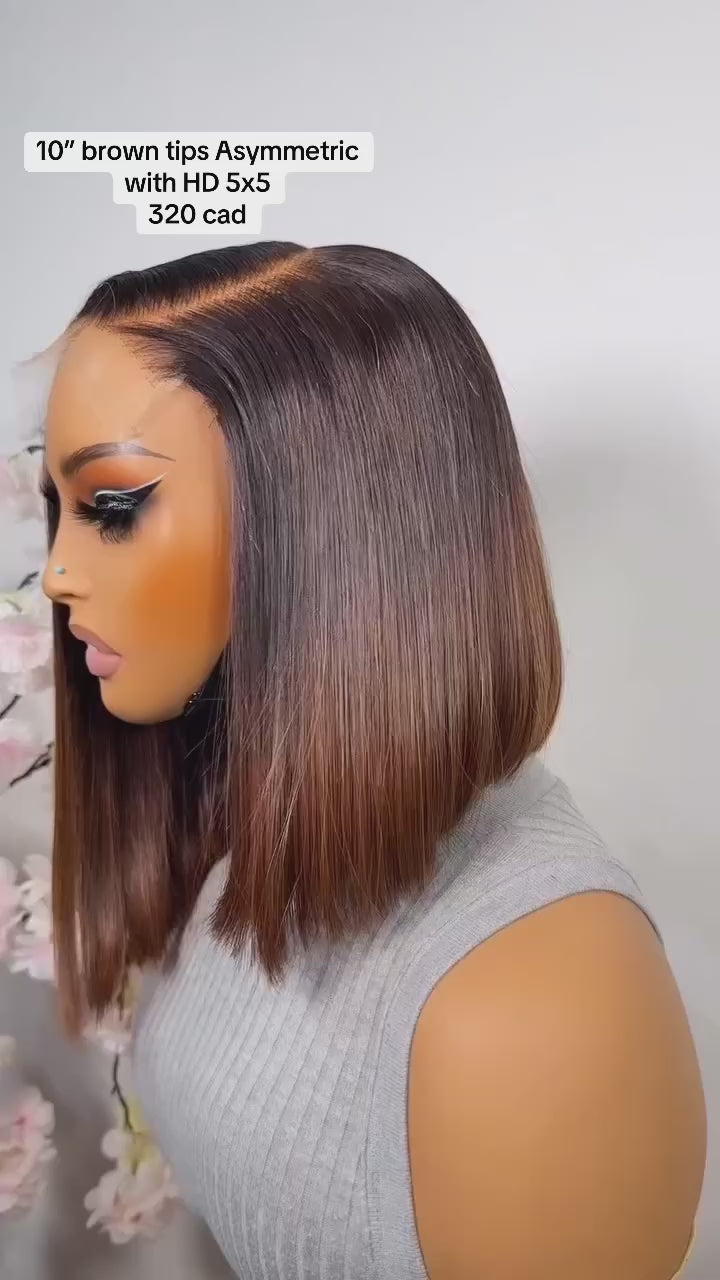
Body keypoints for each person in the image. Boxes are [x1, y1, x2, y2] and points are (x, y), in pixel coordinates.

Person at [40, 241, 705, 1279]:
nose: (56, 575)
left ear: (326, 513)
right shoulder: (255, 809)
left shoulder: (537, 1009)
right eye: (59, 508)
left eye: (112, 506)